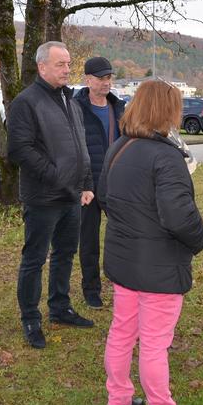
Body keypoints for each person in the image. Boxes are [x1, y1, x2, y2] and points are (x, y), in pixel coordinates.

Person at [98, 80, 203, 405]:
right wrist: (198, 240)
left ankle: (118, 401)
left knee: (122, 333)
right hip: (158, 267)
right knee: (154, 345)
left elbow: (105, 198)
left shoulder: (119, 147)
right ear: (165, 110)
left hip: (124, 259)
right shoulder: (166, 156)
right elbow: (180, 216)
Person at [7, 41, 95, 349]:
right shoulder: (26, 102)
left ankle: (60, 307)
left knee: (65, 254)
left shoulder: (70, 101)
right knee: (34, 259)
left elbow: (81, 147)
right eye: (61, 64)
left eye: (69, 64)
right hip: (43, 197)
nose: (67, 70)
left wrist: (86, 183)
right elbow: (20, 149)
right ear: (42, 67)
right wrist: (57, 177)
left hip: (72, 196)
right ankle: (30, 318)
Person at [76, 56, 125, 309]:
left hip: (117, 185)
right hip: (89, 186)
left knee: (124, 237)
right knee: (89, 241)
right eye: (101, 78)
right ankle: (91, 289)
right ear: (88, 80)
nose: (106, 82)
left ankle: (125, 286)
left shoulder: (120, 107)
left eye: (109, 77)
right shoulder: (75, 108)